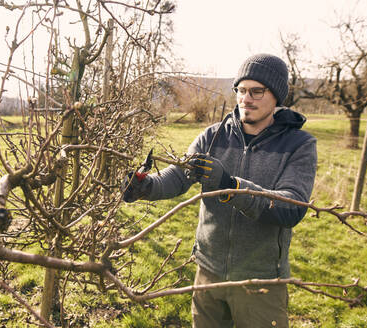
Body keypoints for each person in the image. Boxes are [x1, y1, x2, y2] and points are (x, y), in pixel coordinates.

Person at [122, 53, 317, 328]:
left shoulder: (299, 144)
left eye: (256, 91)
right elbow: (179, 175)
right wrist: (146, 186)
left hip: (260, 281)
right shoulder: (214, 135)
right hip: (208, 273)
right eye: (241, 90)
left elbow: (292, 207)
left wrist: (230, 186)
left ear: (277, 96)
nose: (246, 99)